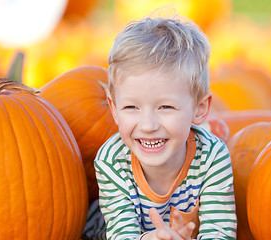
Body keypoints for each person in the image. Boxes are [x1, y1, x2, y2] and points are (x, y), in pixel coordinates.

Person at [94, 11, 237, 240]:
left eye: (166, 108)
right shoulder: (112, 161)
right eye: (131, 108)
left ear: (199, 109)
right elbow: (121, 235)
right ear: (114, 108)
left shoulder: (212, 157)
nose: (148, 125)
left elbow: (220, 233)